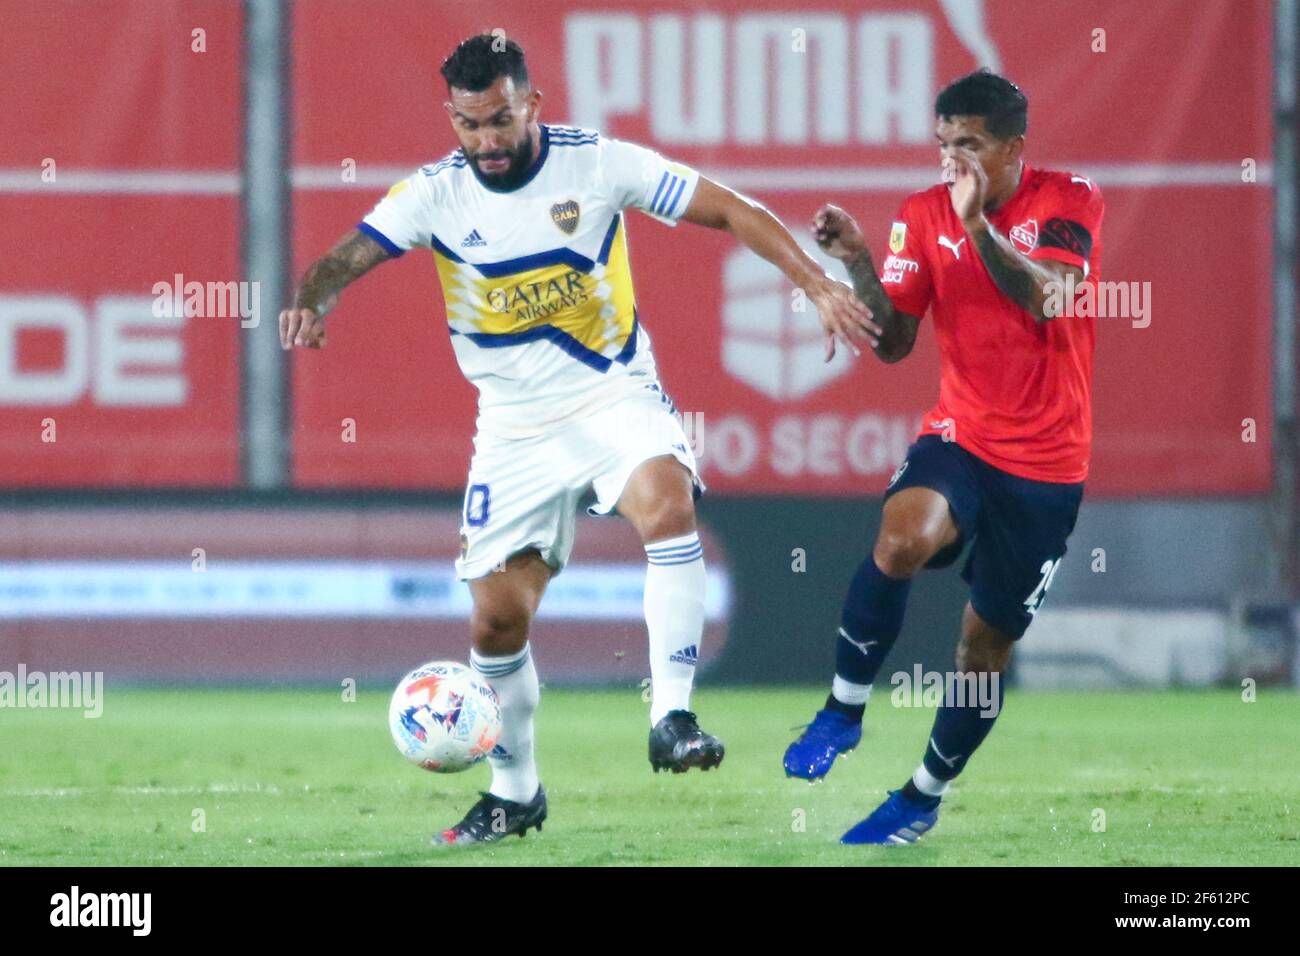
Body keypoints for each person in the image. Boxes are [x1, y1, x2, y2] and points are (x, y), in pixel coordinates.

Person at [279, 34, 874, 845]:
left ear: (532, 105)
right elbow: (341, 259)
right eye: (467, 125)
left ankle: (672, 714)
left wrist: (815, 283)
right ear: (450, 119)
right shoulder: (433, 195)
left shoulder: (597, 164)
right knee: (495, 622)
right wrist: (315, 299)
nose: (485, 141)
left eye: (498, 120)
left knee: (666, 504)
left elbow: (733, 208)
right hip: (513, 426)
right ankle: (516, 792)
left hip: (612, 395)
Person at [785, 69, 1105, 845]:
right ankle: (843, 709)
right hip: (961, 437)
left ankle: (921, 796)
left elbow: (1046, 297)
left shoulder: (1070, 199)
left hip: (1048, 466)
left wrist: (978, 230)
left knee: (982, 646)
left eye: (970, 144)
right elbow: (895, 342)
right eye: (942, 144)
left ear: (1013, 148)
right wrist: (862, 259)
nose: (952, 160)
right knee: (900, 537)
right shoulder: (921, 216)